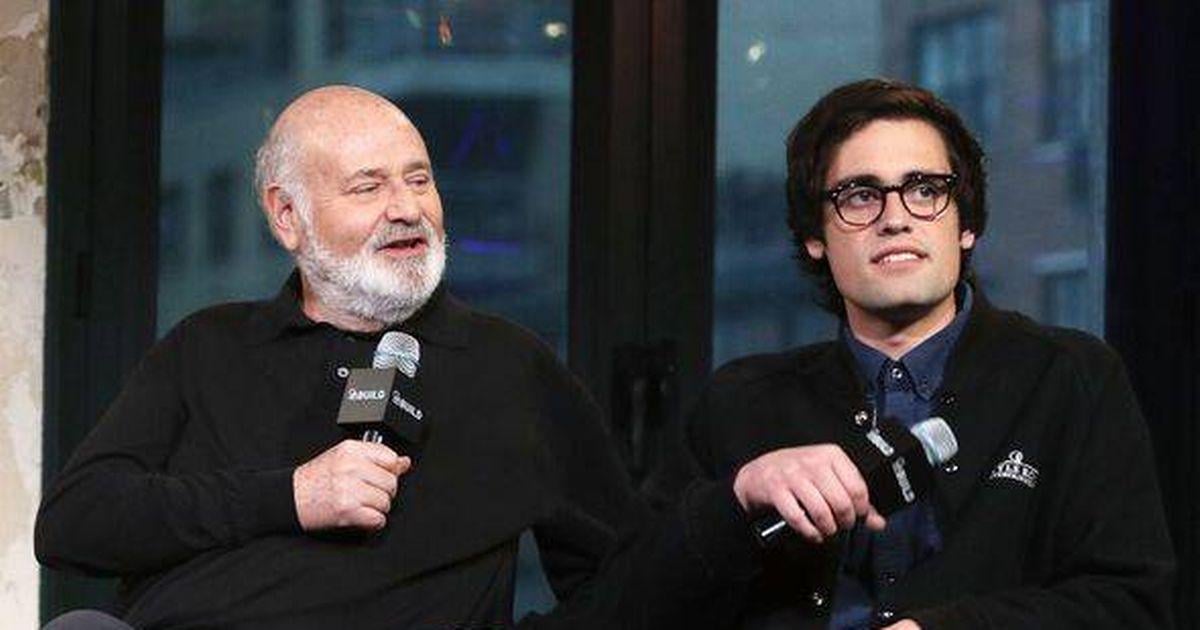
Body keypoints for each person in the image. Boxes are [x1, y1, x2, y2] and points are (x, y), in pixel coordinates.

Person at [35, 85, 638, 629]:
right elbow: (73, 523)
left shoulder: (511, 367)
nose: (407, 208)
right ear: (287, 216)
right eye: (368, 187)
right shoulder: (206, 345)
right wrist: (292, 497)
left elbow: (621, 580)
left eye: (419, 180)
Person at [656, 79, 1175, 628]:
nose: (895, 217)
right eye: (860, 195)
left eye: (925, 190)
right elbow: (628, 601)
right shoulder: (740, 402)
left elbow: (1133, 606)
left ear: (966, 224)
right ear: (815, 237)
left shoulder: (1070, 379)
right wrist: (734, 500)